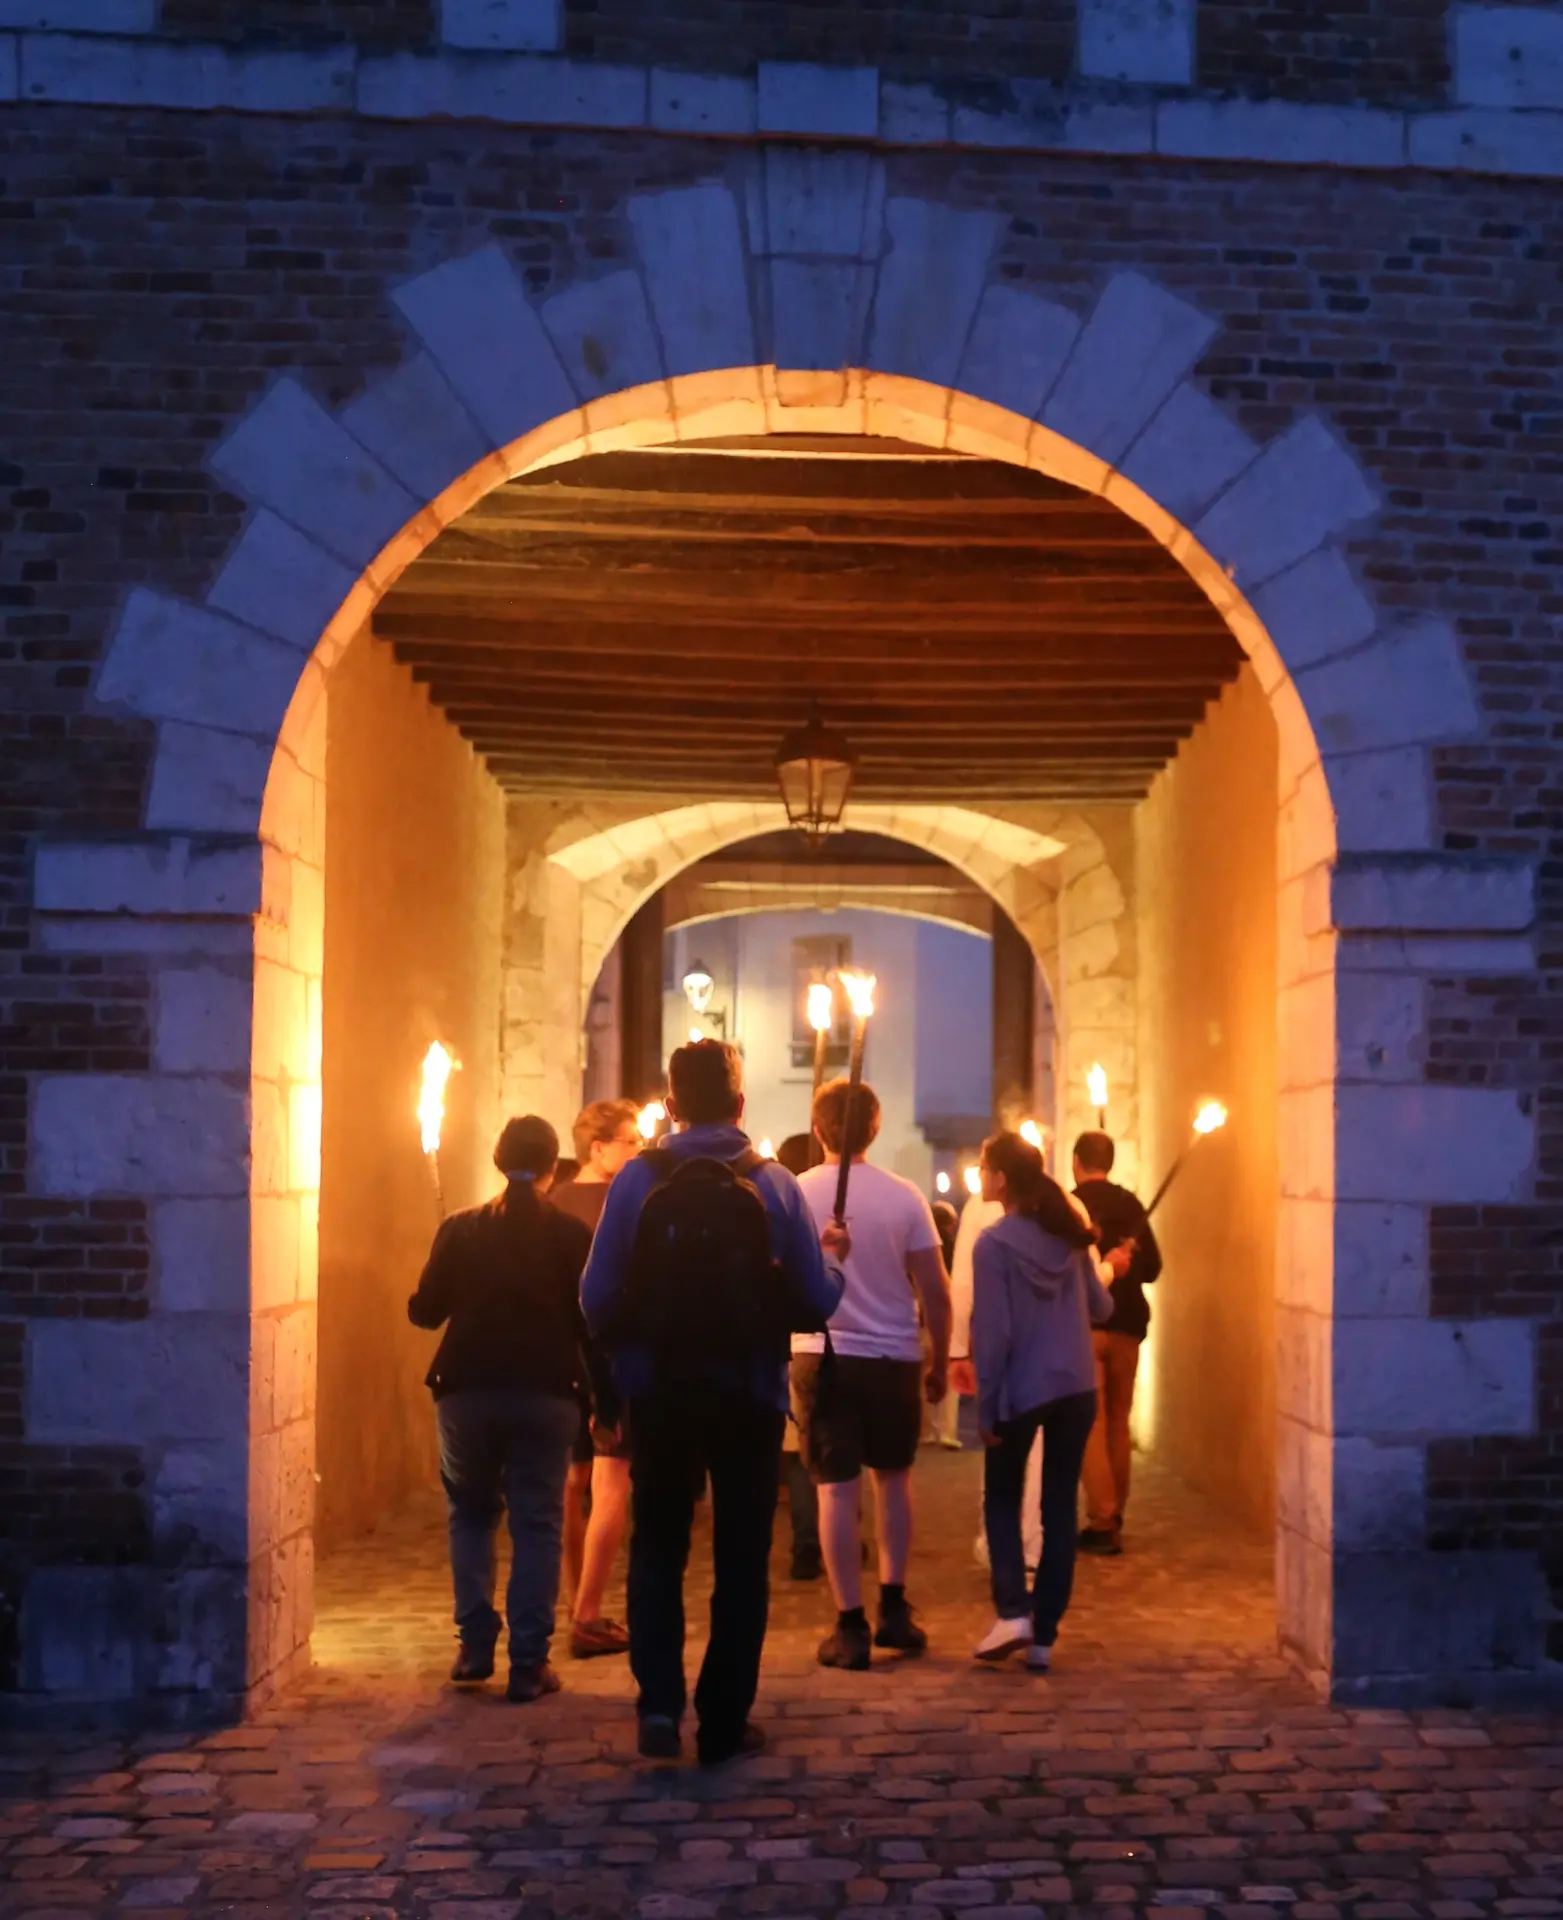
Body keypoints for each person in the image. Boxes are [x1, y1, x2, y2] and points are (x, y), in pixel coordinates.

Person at [581, 1040, 847, 1765]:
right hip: (748, 1391)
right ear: (739, 1104)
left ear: (669, 1105)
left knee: (659, 1546)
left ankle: (659, 1706)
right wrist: (832, 1265)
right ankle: (724, 1717)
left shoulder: (638, 1180)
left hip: (660, 1389)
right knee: (739, 1557)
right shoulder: (775, 1184)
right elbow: (812, 1300)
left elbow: (594, 1296)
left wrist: (631, 1352)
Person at [407, 1115, 596, 1703]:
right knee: (537, 1522)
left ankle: (474, 1646)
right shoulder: (569, 1235)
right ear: (551, 1165)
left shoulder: (460, 1228)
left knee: (470, 1513)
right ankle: (529, 1661)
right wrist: (606, 1400)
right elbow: (591, 1323)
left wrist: (436, 1274)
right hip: (546, 1390)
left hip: (468, 1391)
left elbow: (425, 1312)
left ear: (497, 1158)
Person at [793, 1077, 953, 1671]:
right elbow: (934, 1288)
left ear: (818, 1130)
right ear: (876, 1128)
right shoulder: (905, 1197)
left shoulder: (794, 1193)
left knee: (835, 1487)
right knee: (893, 1479)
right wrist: (938, 1353)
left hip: (822, 1350)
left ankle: (850, 1622)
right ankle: (892, 1603)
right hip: (891, 1354)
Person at [969, 1129, 1115, 1672]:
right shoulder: (1070, 1234)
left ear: (1001, 1178)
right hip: (1076, 1385)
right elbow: (1100, 1308)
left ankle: (1012, 1610)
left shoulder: (994, 1245)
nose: (981, 1176)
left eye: (984, 1168)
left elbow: (995, 1335)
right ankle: (1044, 1636)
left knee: (1002, 1499)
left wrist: (985, 1406)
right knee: (1059, 1507)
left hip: (1023, 1388)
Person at [553, 1099, 643, 1657]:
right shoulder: (626, 1202)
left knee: (572, 1484)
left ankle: (574, 1599)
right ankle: (587, 1610)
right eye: (630, 1141)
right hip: (610, 1358)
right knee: (612, 1482)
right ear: (598, 1148)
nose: (638, 1149)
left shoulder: (554, 1203)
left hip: (563, 1362)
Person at [1072, 1130, 1162, 1556]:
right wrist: (1128, 1262)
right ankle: (1115, 1512)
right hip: (1127, 1324)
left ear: (1076, 1161)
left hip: (1086, 1326)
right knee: (1118, 1422)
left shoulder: (1068, 1205)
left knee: (1092, 1424)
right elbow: (1154, 1268)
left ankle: (1102, 1519)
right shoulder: (1131, 1207)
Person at [949, 1183, 1042, 1570]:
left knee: (1000, 1444)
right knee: (1040, 1452)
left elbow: (963, 1284)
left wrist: (957, 1348)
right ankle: (1034, 1545)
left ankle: (999, 1541)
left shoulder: (981, 1213)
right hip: (1048, 1350)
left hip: (999, 1348)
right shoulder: (1066, 1207)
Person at [775, 1132, 823, 1580]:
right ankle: (832, 1535)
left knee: (799, 1452)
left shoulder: (778, 1205)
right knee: (833, 1447)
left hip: (795, 1345)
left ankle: (809, 1540)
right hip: (840, 1342)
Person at [924, 1199, 963, 1448]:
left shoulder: (924, 1247)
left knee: (923, 1374)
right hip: (951, 1315)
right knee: (949, 1371)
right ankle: (948, 1431)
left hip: (922, 1317)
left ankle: (926, 1430)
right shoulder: (955, 1249)